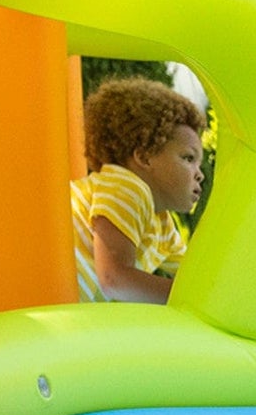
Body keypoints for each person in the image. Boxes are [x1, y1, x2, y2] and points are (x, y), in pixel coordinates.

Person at [71, 77, 206, 303]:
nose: (199, 174)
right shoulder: (127, 187)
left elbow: (200, 277)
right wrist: (199, 299)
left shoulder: (163, 226)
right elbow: (115, 279)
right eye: (188, 158)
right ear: (144, 157)